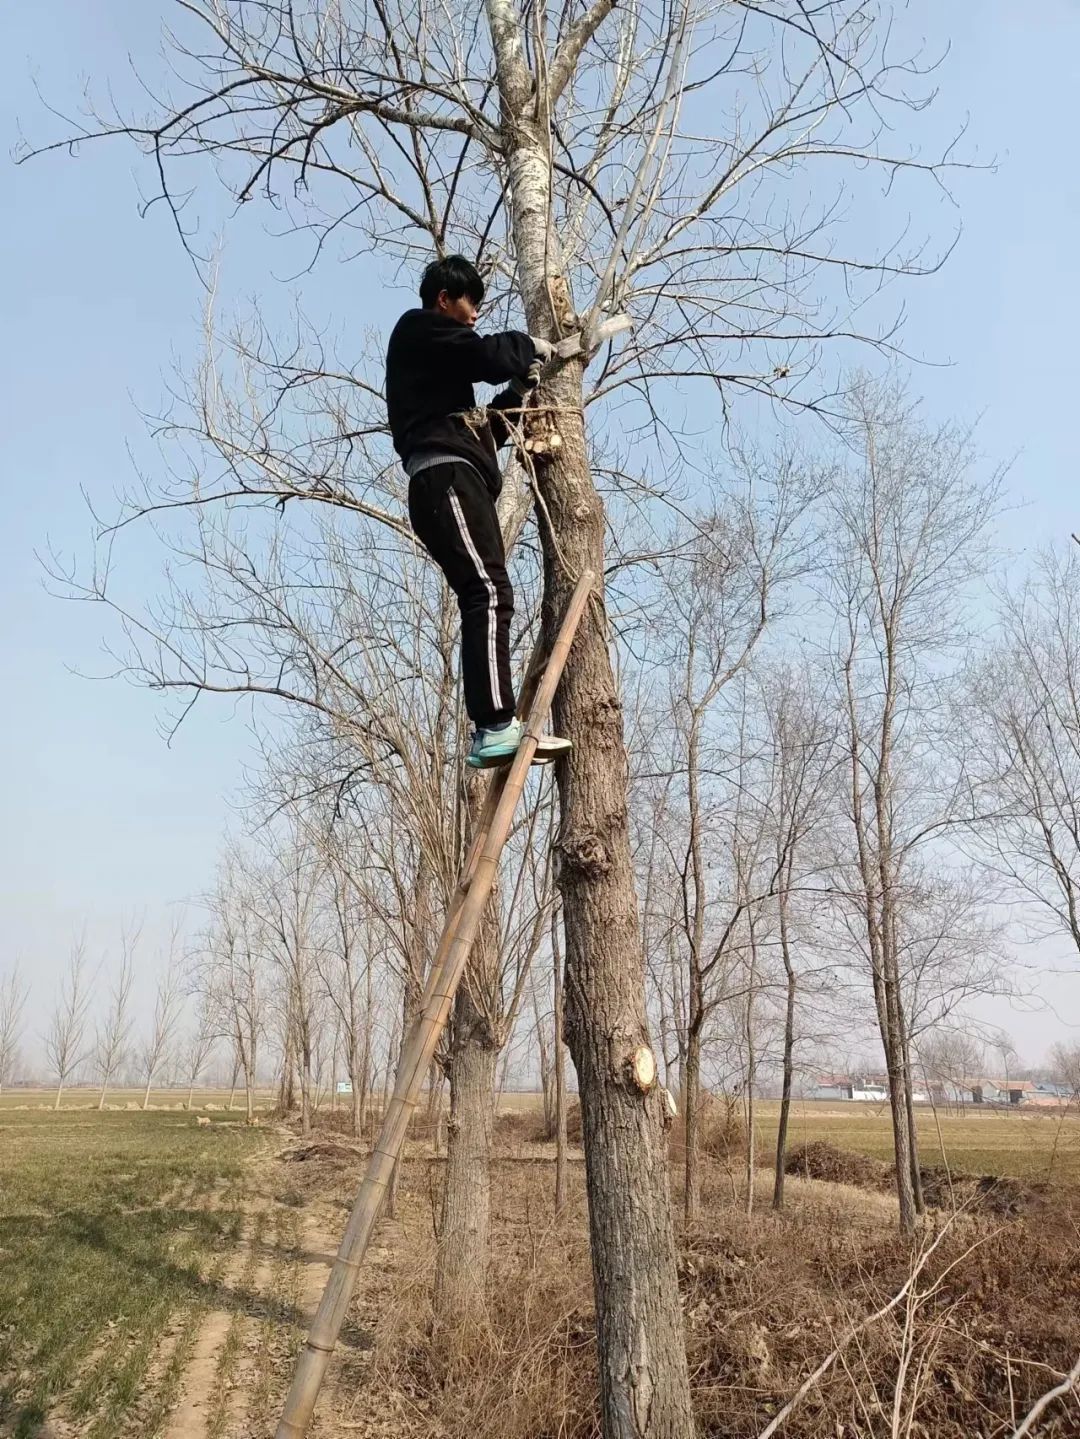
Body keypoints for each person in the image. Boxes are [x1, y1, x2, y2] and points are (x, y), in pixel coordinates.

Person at [386, 255, 572, 769]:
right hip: (444, 481)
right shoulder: (418, 328)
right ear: (445, 298)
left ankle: (495, 723)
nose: (474, 315)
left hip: (458, 479)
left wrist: (518, 392)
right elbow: (484, 355)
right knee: (487, 591)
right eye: (470, 304)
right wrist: (527, 347)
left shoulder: (439, 388)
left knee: (489, 591)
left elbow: (481, 429)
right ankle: (494, 725)